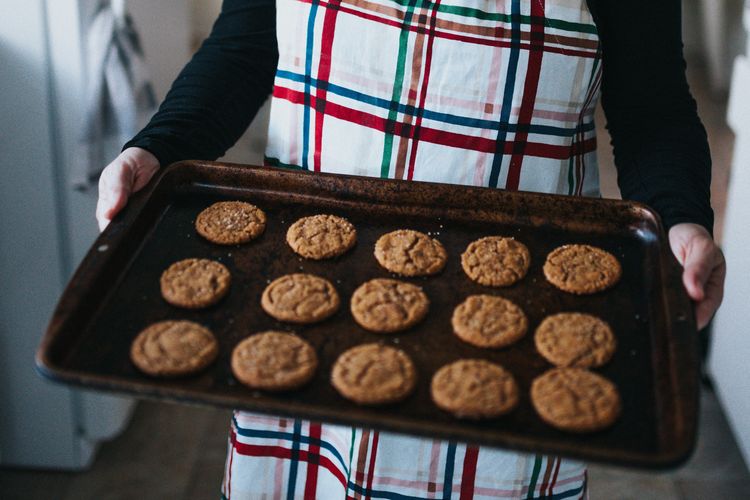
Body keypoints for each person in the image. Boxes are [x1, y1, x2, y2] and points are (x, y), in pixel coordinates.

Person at [96, 0, 726, 498]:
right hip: (312, 307)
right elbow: (245, 46)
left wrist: (683, 220)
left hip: (509, 324)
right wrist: (158, 147)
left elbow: (653, 107)